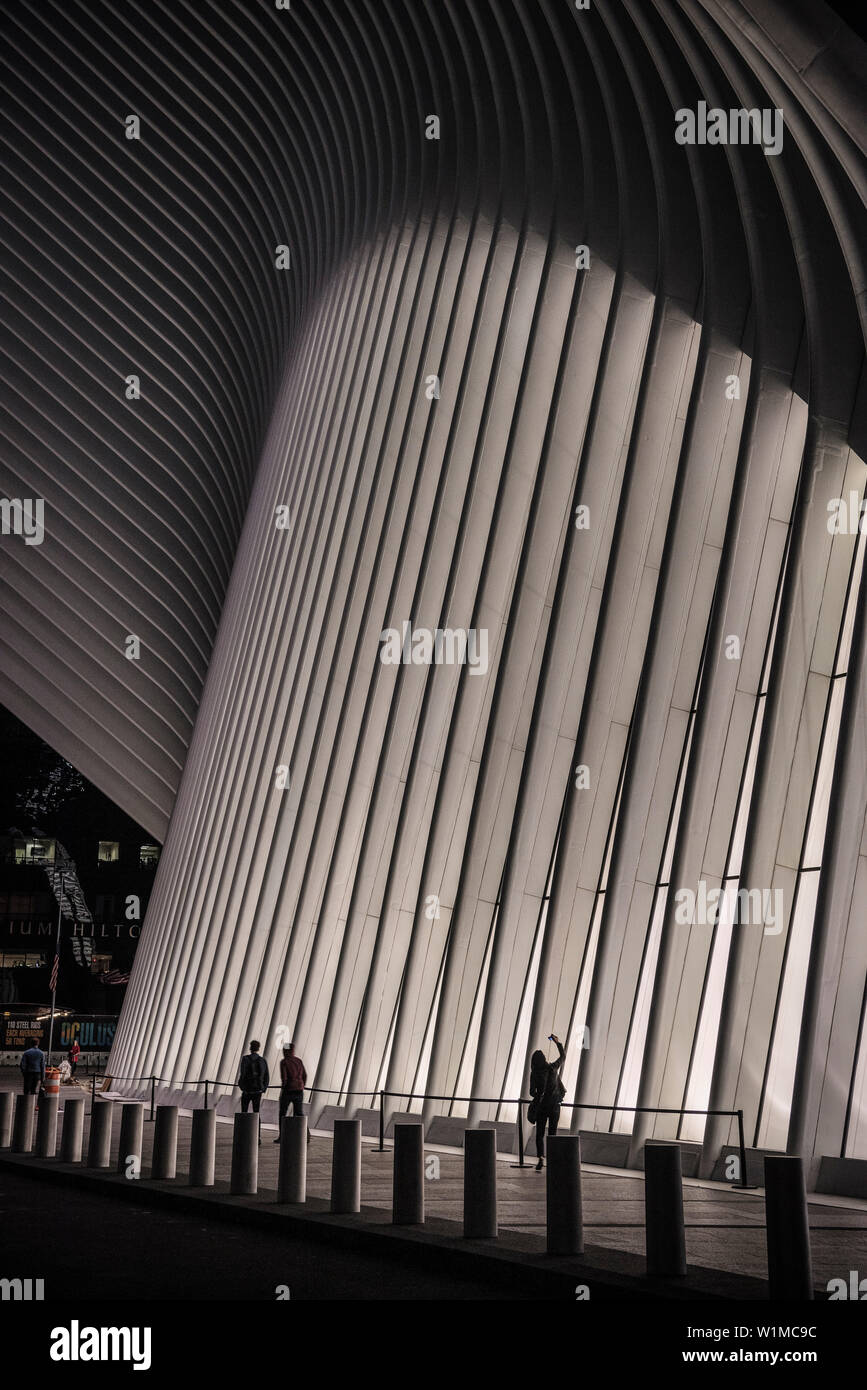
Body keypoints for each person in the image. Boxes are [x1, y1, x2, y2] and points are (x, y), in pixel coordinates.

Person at [529, 1033, 566, 1171]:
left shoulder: (535, 1073)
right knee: (552, 1133)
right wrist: (557, 1042)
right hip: (555, 1106)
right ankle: (554, 1160)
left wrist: (539, 1093)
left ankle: (540, 1158)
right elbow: (563, 1057)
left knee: (539, 1134)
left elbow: (531, 1092)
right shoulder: (552, 1068)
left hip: (542, 1107)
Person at [273, 1042, 310, 1144]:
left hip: (288, 1090)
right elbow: (305, 1075)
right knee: (299, 1113)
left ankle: (282, 1136)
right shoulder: (299, 1061)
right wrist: (302, 1085)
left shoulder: (284, 1062)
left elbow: (284, 1078)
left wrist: (283, 1088)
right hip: (299, 1090)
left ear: (286, 1051)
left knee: (283, 1114)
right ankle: (306, 1135)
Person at [237, 1040, 269, 1144]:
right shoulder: (262, 1061)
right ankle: (257, 1136)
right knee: (256, 1113)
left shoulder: (245, 1059)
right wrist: (263, 1088)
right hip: (257, 1091)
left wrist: (242, 1087)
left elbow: (242, 1074)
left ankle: (243, 1135)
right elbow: (266, 1076)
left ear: (250, 1048)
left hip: (247, 1091)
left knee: (244, 1112)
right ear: (258, 1048)